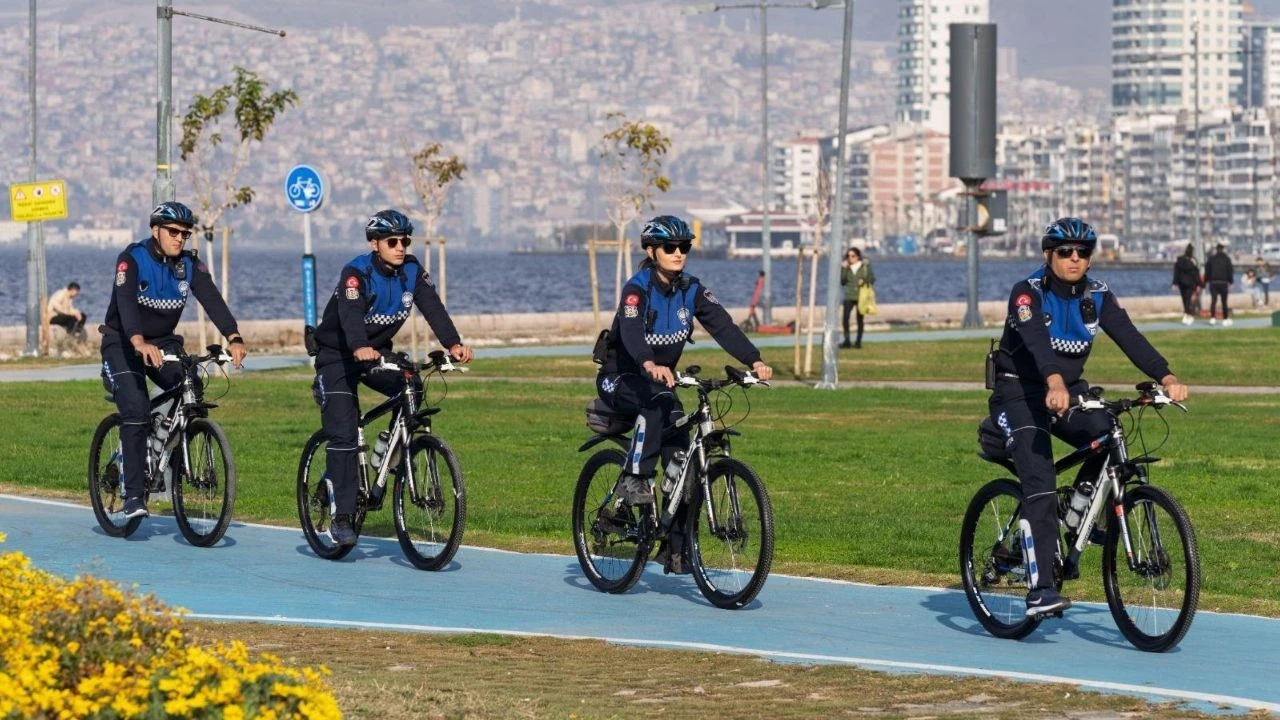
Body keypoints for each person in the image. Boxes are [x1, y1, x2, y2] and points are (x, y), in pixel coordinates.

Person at [986, 217, 1188, 617]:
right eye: (1065, 251)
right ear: (1049, 255)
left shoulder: (1098, 295)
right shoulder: (1027, 294)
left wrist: (1166, 376)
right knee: (1040, 480)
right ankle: (1041, 590)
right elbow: (1039, 345)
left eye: (1083, 252)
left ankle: (1077, 507)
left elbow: (1130, 336)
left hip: (1066, 390)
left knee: (1107, 431)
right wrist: (1055, 382)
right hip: (1020, 392)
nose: (1074, 258)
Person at [594, 215, 773, 574]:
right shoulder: (637, 288)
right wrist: (647, 362)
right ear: (651, 250)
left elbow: (723, 325)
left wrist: (754, 360)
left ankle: (675, 549)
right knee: (656, 405)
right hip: (621, 377)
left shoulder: (691, 289)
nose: (679, 254)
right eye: (670, 248)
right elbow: (630, 332)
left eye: (684, 247)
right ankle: (634, 478)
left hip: (660, 383)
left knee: (683, 458)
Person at [310, 209, 473, 548]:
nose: (400, 247)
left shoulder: (412, 271)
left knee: (411, 385)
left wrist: (453, 344)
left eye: (405, 241)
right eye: (392, 241)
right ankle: (341, 519)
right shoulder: (356, 273)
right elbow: (351, 315)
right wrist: (358, 347)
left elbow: (433, 308)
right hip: (338, 355)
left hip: (376, 352)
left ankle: (383, 456)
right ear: (375, 243)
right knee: (343, 431)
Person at [100, 201, 248, 521]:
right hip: (123, 342)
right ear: (155, 230)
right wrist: (138, 341)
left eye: (185, 234)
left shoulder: (189, 266)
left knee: (192, 384)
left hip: (163, 344)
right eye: (173, 232)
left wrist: (233, 337)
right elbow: (125, 304)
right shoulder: (133, 259)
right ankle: (134, 496)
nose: (180, 238)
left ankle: (163, 448)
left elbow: (211, 299)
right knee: (137, 410)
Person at [839, 247, 875, 349]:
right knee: (845, 318)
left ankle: (858, 341)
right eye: (848, 256)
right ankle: (847, 340)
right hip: (849, 295)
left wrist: (864, 280)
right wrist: (844, 269)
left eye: (852, 256)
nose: (850, 258)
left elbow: (872, 278)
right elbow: (842, 281)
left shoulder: (864, 266)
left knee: (860, 319)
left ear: (858, 256)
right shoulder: (846, 267)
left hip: (861, 295)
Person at [1170, 243, 1201, 325]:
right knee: (1188, 299)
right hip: (1190, 283)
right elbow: (1196, 274)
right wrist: (1199, 284)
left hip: (1181, 283)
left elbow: (1176, 272)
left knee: (1185, 299)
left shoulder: (1179, 261)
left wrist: (1174, 283)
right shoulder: (1193, 261)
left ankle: (1186, 315)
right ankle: (1187, 314)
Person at [1204, 243, 1234, 326]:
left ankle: (1212, 318)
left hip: (1213, 282)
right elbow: (1230, 271)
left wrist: (1206, 281)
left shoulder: (1211, 259)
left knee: (1213, 301)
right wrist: (1231, 281)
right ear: (1223, 249)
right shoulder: (1227, 259)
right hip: (1223, 282)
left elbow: (1207, 271)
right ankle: (1225, 319)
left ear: (1216, 250)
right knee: (1224, 302)